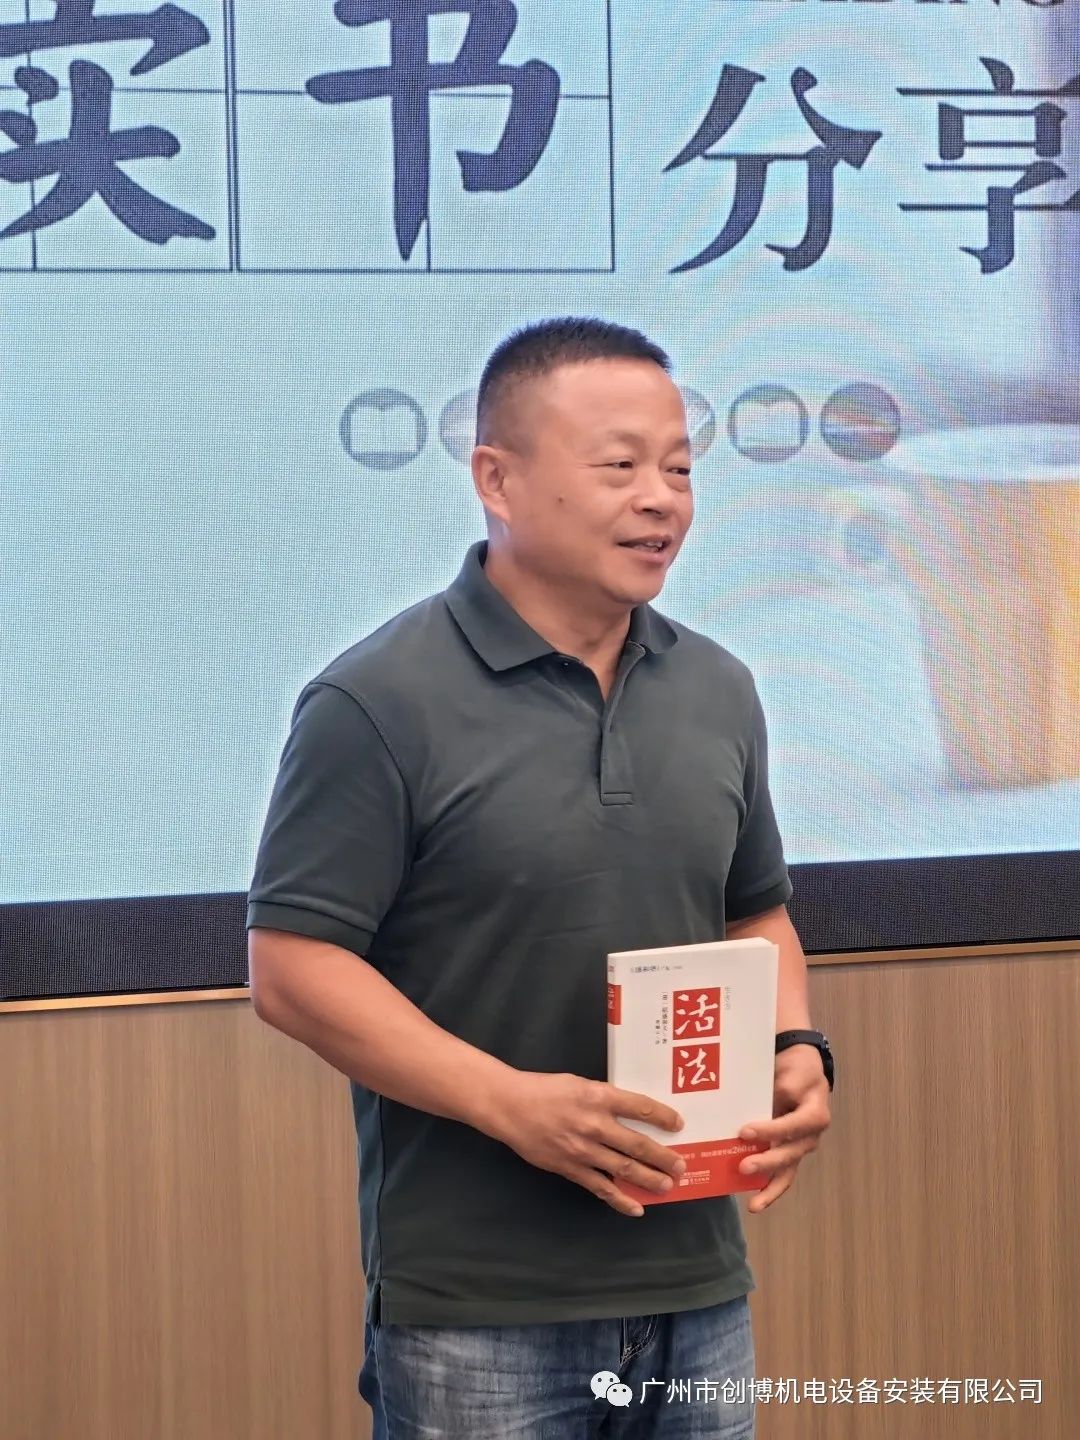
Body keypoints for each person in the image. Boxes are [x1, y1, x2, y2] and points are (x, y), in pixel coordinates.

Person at [246, 317, 833, 1439]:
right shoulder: (378, 700)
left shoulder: (719, 688)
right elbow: (294, 969)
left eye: (679, 469)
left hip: (697, 1280)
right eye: (619, 466)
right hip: (479, 1309)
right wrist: (511, 1104)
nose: (661, 500)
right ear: (496, 480)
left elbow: (754, 910)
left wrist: (794, 1047)